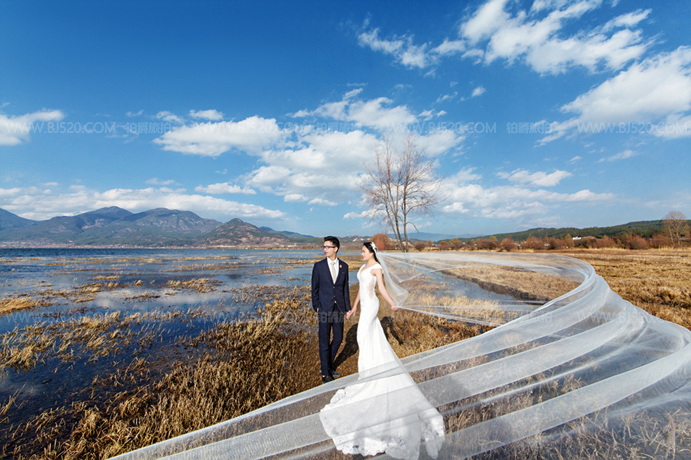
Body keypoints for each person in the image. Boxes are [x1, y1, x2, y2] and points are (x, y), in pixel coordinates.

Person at [319, 241, 445, 460]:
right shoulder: (363, 268)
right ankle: (367, 373)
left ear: (371, 253)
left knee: (366, 337)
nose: (361, 253)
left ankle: (371, 377)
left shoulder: (376, 268)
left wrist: (392, 303)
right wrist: (355, 306)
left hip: (373, 307)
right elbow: (360, 289)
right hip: (364, 307)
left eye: (363, 251)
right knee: (364, 340)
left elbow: (381, 290)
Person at [311, 236, 350, 384]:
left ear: (336, 249)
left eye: (328, 247)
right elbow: (314, 289)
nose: (325, 249)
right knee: (324, 340)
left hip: (338, 309)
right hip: (324, 309)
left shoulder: (344, 267)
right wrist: (317, 306)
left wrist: (347, 308)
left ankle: (326, 366)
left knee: (339, 338)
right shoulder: (319, 266)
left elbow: (344, 289)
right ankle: (325, 373)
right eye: (324, 247)